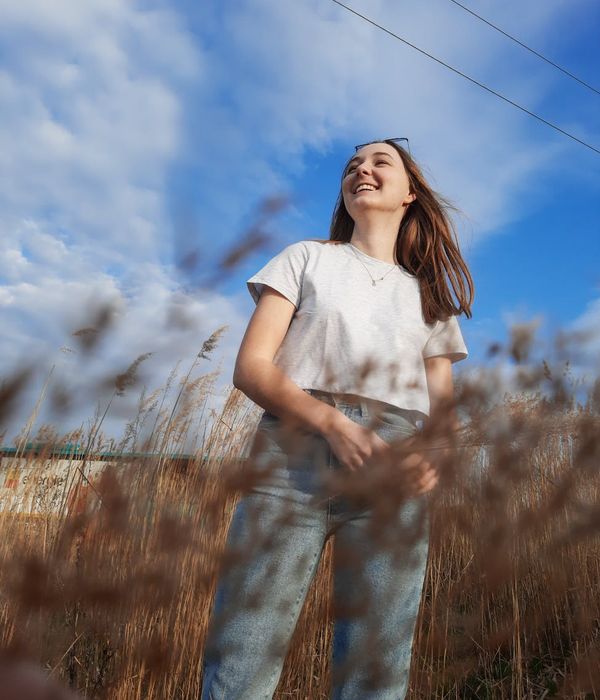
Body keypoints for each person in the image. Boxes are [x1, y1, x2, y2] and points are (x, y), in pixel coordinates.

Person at [201, 138, 474, 699]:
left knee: (376, 669)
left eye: (379, 163)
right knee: (244, 652)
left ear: (410, 194)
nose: (362, 171)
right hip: (291, 459)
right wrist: (332, 424)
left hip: (392, 471)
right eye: (352, 166)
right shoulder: (306, 258)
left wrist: (432, 457)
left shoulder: (430, 300)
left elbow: (443, 416)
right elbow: (252, 368)